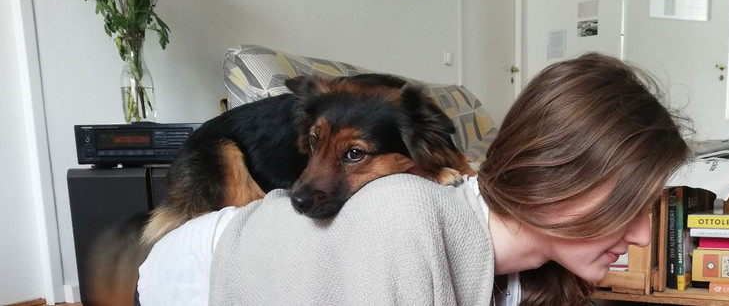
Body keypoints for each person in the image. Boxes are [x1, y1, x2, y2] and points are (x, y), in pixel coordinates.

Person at [137, 53, 689, 306]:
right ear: (556, 177)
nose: (643, 235)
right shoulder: (406, 218)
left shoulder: (528, 276)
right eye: (629, 204)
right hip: (197, 278)